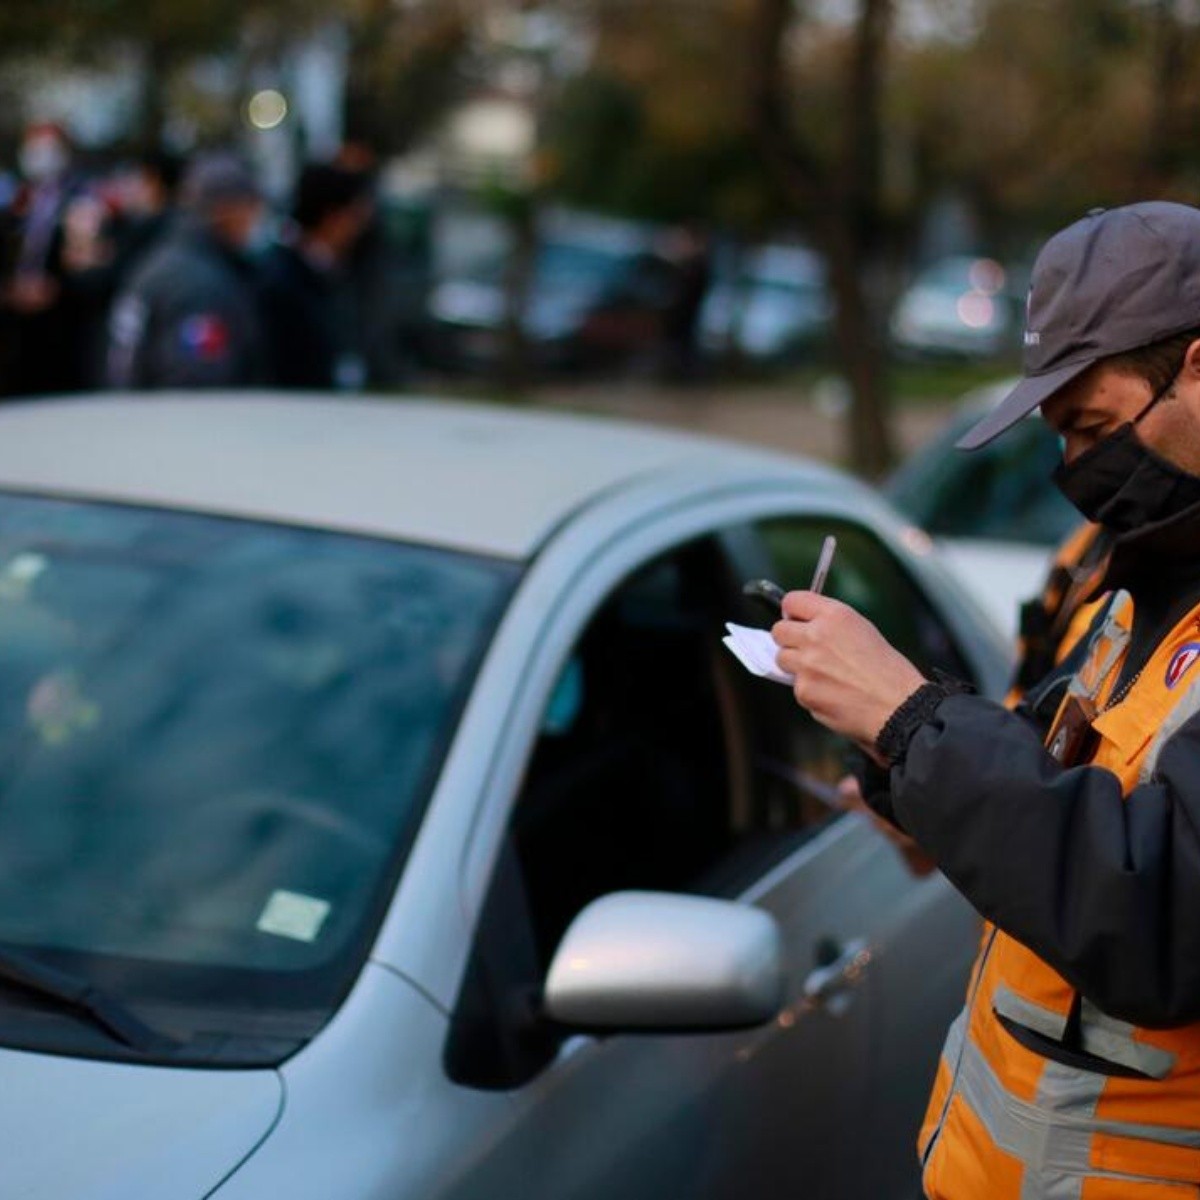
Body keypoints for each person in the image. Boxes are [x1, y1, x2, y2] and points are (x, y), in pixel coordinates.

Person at [770, 201, 1200, 1199]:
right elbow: (1072, 797)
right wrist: (898, 761)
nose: (1077, 474)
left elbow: (1161, 917)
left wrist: (915, 719)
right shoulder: (1144, 568)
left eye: (1095, 428)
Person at [105, 152, 269, 390]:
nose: (255, 218)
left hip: (138, 415)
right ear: (225, 209)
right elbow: (197, 388)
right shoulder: (200, 285)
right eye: (251, 206)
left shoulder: (167, 258)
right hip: (175, 421)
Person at [257, 162, 374, 390]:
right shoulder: (281, 280)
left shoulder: (328, 272)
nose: (360, 226)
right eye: (355, 214)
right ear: (332, 217)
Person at [0, 122, 89, 395]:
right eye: (34, 146)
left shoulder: (82, 200)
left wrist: (57, 288)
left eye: (49, 147)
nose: (40, 154)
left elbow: (88, 263)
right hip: (14, 329)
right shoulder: (17, 199)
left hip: (59, 330)